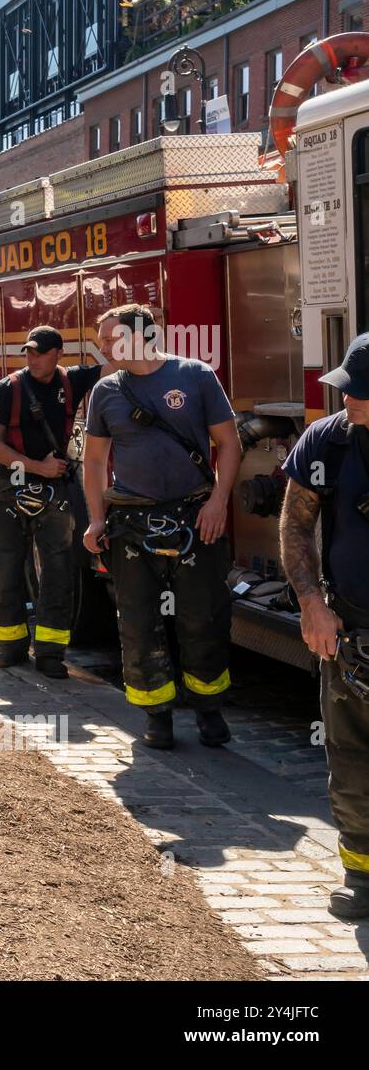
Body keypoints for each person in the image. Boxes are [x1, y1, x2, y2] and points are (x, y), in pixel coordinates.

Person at [82, 305, 241, 750]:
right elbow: (94, 461)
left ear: (142, 335)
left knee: (204, 616)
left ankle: (209, 711)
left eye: (110, 337)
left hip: (195, 518)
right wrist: (96, 519)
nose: (103, 346)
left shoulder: (195, 376)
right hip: (132, 524)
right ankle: (157, 717)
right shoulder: (106, 392)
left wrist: (217, 502)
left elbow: (228, 443)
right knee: (138, 621)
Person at [280, 333, 369, 919]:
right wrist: (312, 603)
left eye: (358, 394)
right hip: (354, 628)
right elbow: (294, 525)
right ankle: (362, 876)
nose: (346, 401)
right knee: (351, 755)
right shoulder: (328, 442)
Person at [0, 326, 113, 678]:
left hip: (55, 494)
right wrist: (37, 466)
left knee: (58, 574)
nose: (32, 358)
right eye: (28, 352)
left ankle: (51, 654)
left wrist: (122, 336)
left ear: (58, 354)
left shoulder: (73, 381)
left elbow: (118, 365)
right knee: (6, 569)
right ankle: (10, 649)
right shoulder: (7, 389)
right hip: (10, 489)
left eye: (39, 352)